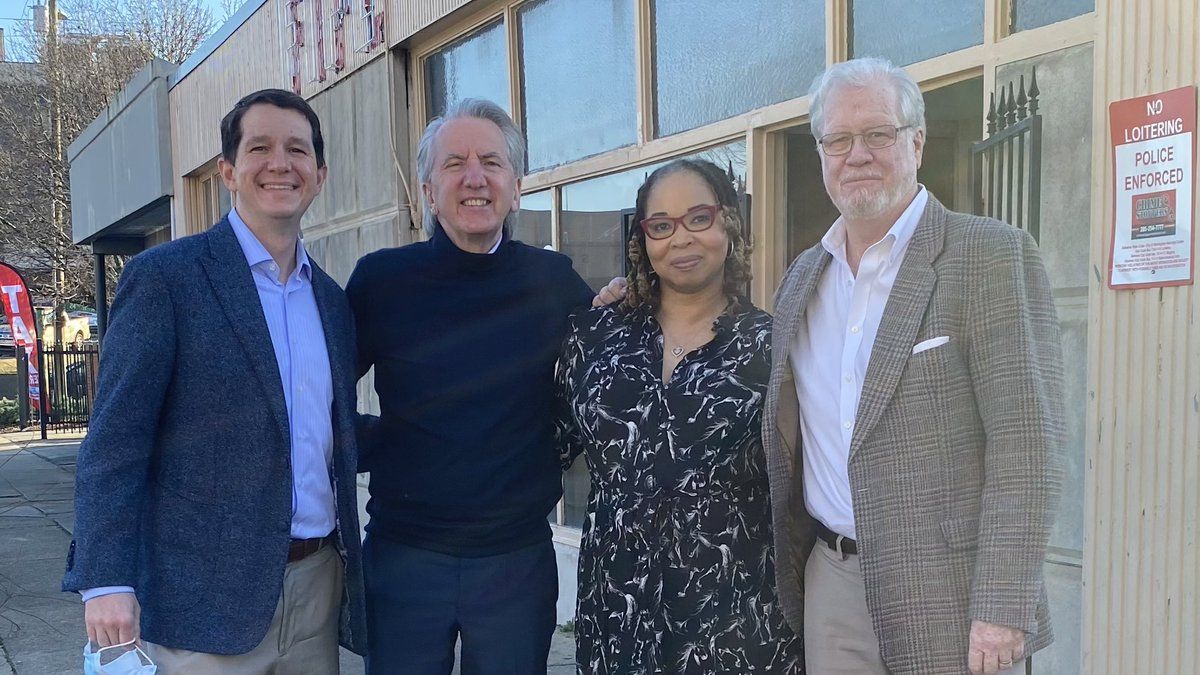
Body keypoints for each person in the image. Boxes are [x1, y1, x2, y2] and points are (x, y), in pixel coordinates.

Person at [762, 57, 1065, 674]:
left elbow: (1028, 444)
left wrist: (1003, 606)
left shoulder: (989, 256)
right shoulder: (801, 278)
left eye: (879, 134)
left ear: (917, 142)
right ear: (821, 153)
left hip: (950, 592)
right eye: (839, 140)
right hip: (832, 582)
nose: (858, 154)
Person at [62, 88, 368, 672]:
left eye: (297, 150)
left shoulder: (330, 301)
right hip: (199, 599)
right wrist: (104, 578)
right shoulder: (167, 280)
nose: (280, 163)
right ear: (228, 170)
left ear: (320, 174)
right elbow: (115, 441)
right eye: (260, 147)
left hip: (315, 590)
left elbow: (325, 431)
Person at [346, 98, 594, 674]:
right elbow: (318, 390)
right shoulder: (382, 281)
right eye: (454, 164)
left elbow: (607, 387)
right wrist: (382, 443)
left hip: (514, 560)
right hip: (404, 556)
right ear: (429, 190)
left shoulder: (553, 282)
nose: (474, 177)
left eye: (491, 161)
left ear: (515, 185)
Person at [556, 158, 803, 674]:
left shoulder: (776, 347)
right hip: (616, 620)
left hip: (738, 626)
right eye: (661, 226)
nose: (681, 239)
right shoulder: (594, 337)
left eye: (699, 218)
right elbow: (547, 445)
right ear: (642, 240)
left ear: (729, 225)